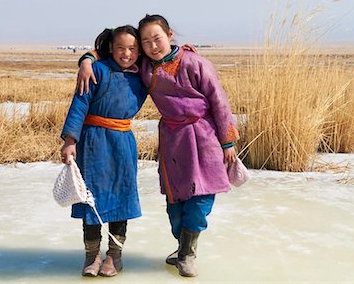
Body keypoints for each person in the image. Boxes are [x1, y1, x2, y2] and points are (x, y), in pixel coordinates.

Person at [77, 14, 239, 277]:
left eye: (157, 39)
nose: (153, 46)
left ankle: (187, 254)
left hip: (204, 136)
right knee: (175, 203)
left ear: (170, 35)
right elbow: (116, 49)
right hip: (174, 140)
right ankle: (181, 245)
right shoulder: (146, 68)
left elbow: (219, 100)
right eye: (146, 42)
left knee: (201, 198)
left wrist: (227, 141)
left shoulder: (196, 63)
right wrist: (87, 59)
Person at [60, 25, 147, 277]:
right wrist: (70, 141)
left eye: (132, 49)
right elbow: (79, 104)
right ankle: (91, 256)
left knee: (121, 200)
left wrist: (183, 51)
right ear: (110, 47)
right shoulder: (97, 70)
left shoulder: (141, 76)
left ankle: (114, 256)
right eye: (121, 47)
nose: (126, 53)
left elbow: (164, 60)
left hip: (122, 144)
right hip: (93, 144)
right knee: (91, 199)